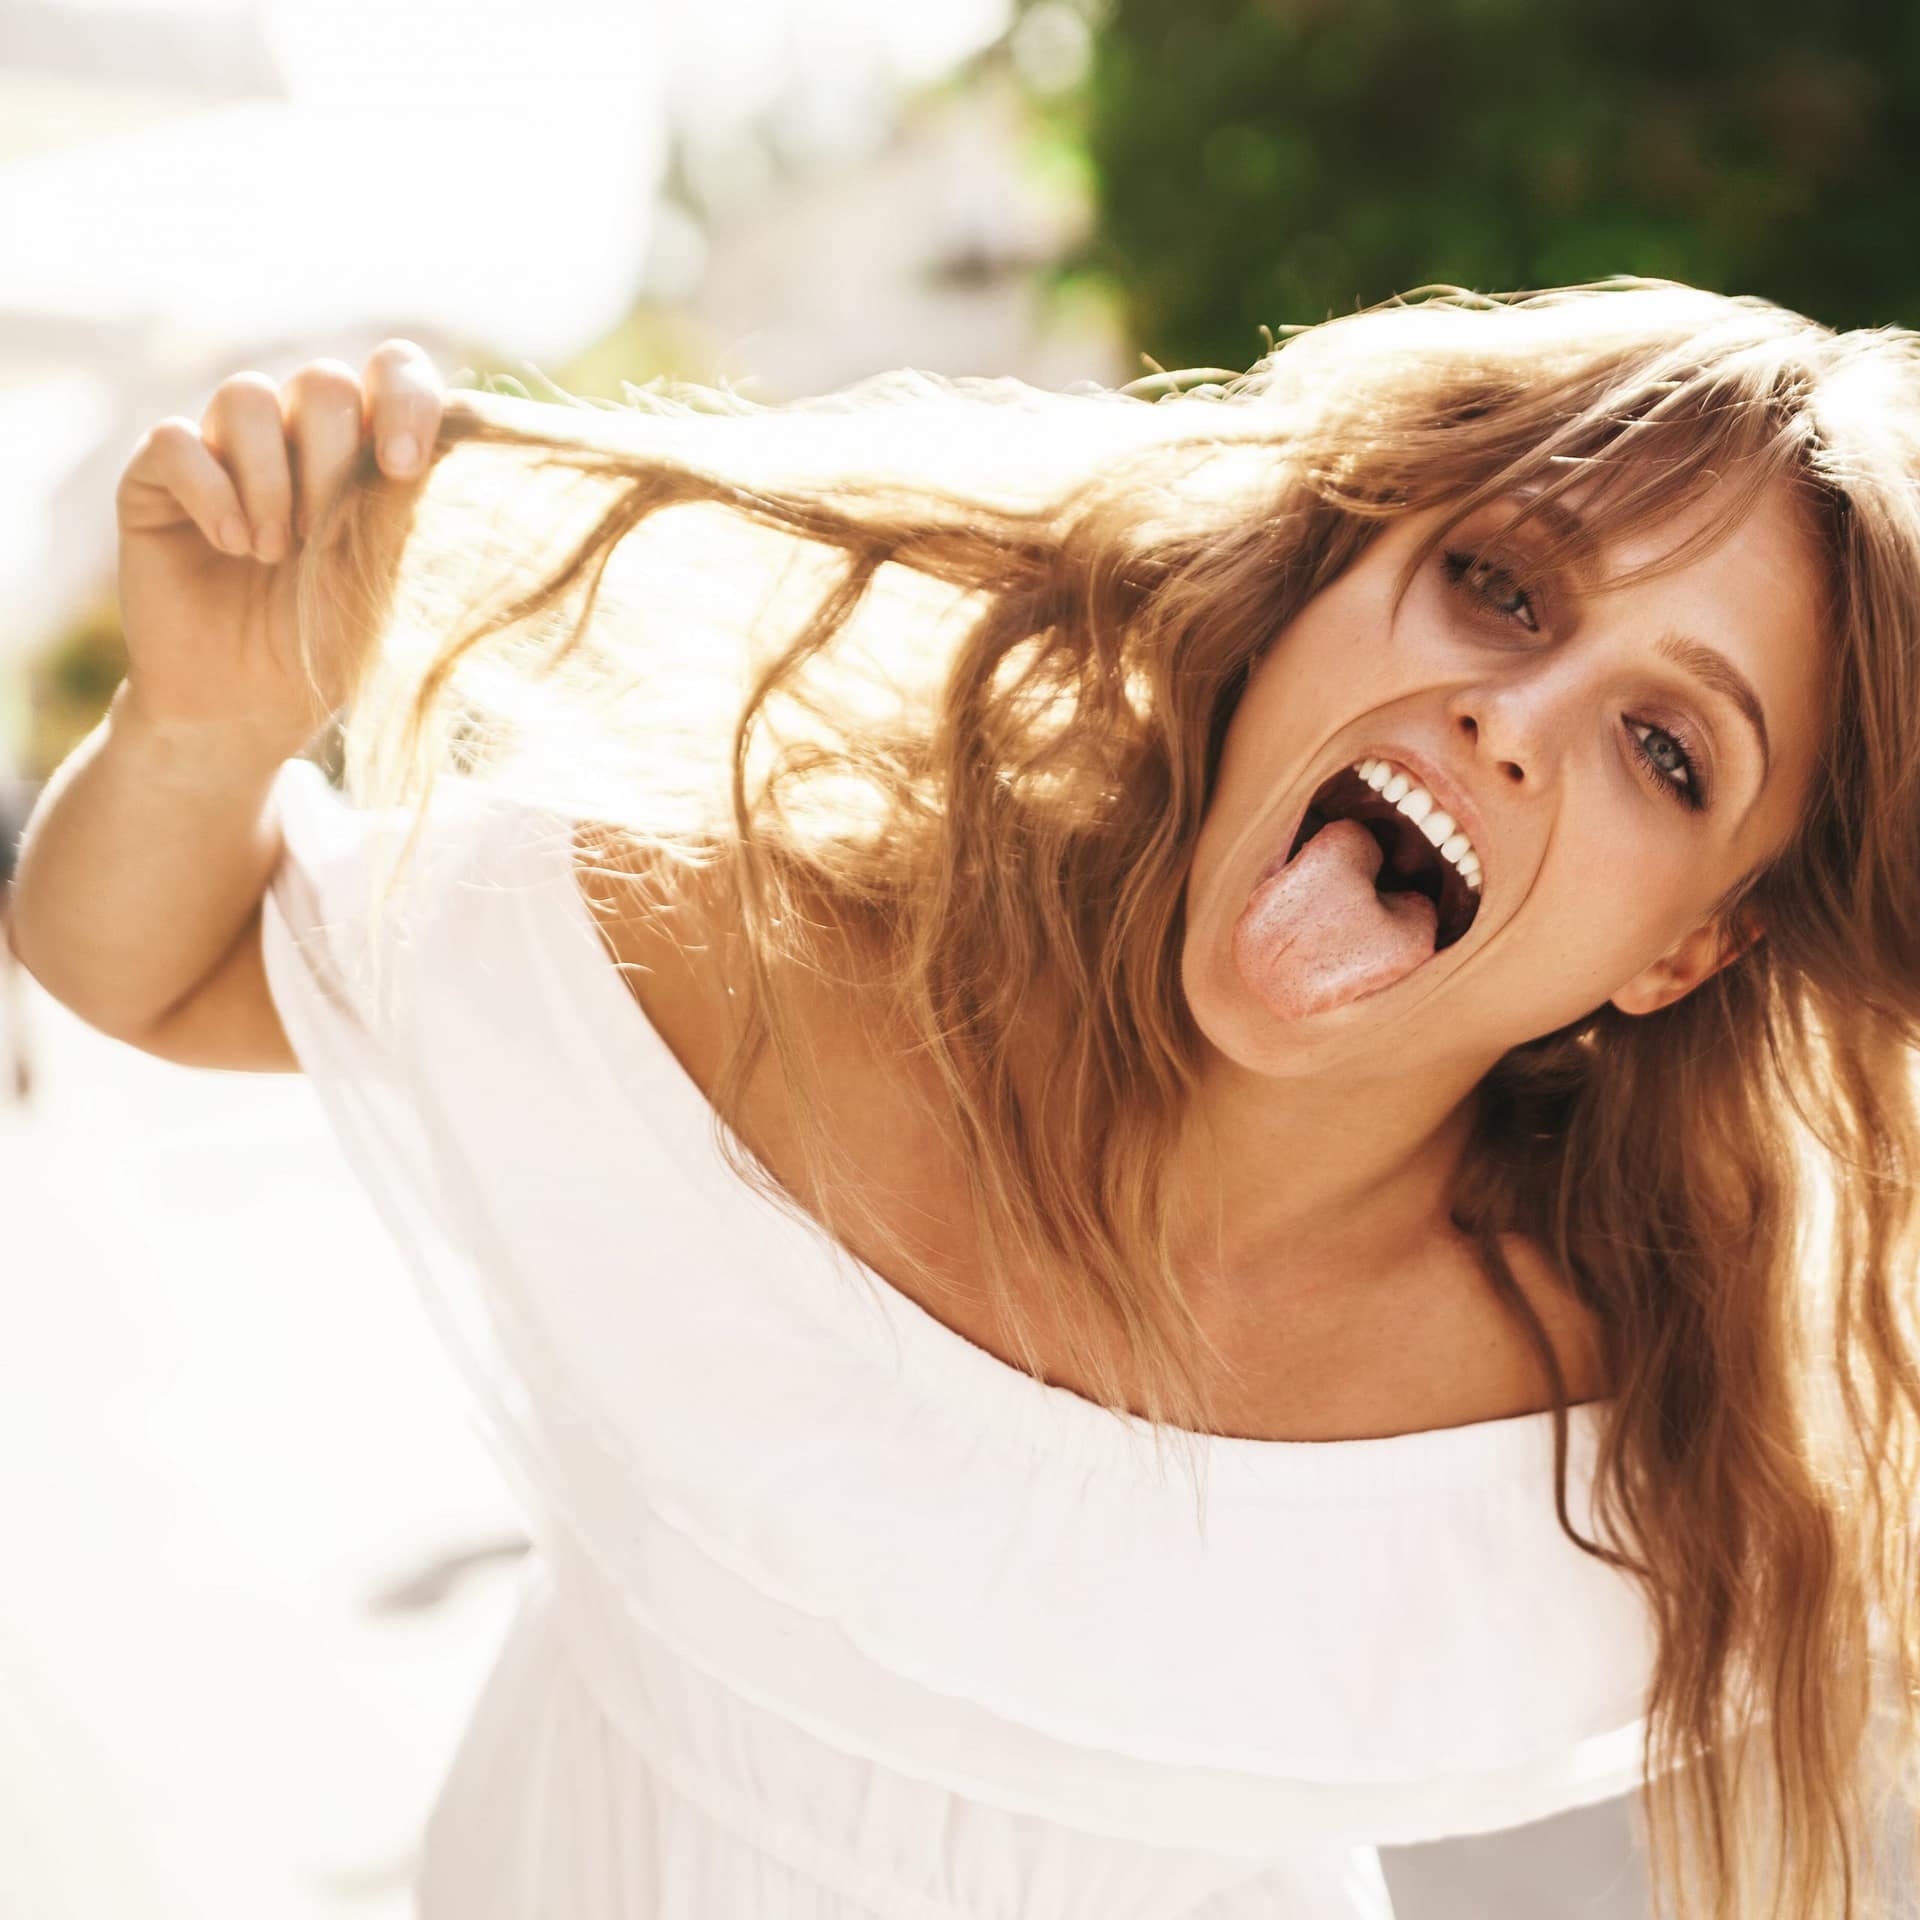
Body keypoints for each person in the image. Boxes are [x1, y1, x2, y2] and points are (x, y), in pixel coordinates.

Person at [11, 281, 1920, 1919]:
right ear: (1323, 588)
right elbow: (151, 967)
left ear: (1690, 950)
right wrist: (205, 723)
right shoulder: (742, 950)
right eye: (1498, 585)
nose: (1517, 710)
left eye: (1667, 748)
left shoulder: (1633, 1437)